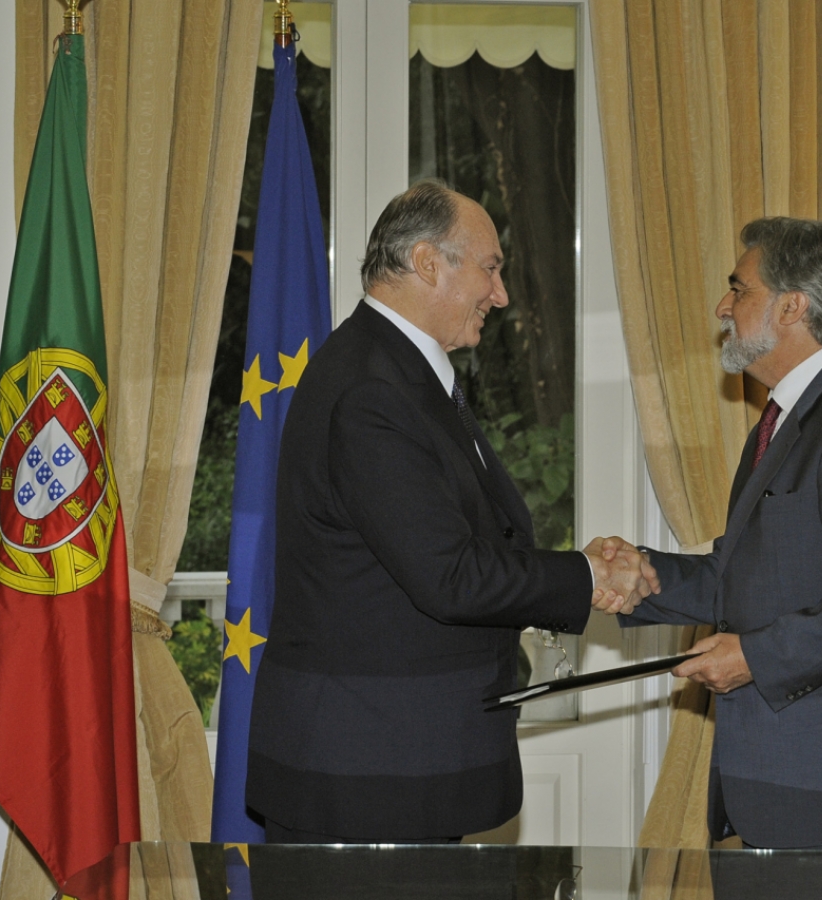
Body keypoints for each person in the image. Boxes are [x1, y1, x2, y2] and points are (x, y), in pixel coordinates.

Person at [245, 181, 656, 843]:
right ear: (430, 264)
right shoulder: (372, 390)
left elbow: (473, 539)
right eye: (491, 269)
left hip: (398, 764)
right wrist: (582, 576)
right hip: (367, 775)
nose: (501, 294)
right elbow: (450, 576)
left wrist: (578, 568)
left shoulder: (397, 372)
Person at [607, 216, 822, 850]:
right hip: (793, 781)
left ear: (794, 305)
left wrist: (753, 657)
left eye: (739, 289)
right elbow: (746, 575)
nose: (722, 306)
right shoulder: (790, 416)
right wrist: (630, 576)